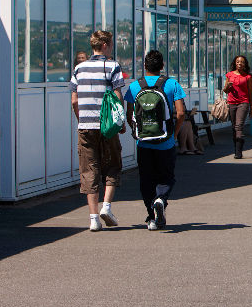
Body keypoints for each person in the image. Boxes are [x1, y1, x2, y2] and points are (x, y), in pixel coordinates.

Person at [124, 49, 187, 231]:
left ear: (144, 66)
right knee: (166, 176)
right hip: (165, 141)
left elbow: (130, 115)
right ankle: (161, 199)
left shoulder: (135, 86)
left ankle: (152, 217)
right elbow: (181, 113)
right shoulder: (172, 84)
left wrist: (136, 132)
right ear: (162, 66)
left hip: (144, 142)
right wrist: (174, 134)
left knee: (146, 179)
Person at [70, 31, 125, 232]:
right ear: (104, 45)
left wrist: (81, 119)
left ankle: (93, 218)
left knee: (88, 169)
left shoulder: (79, 68)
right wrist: (121, 123)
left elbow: (74, 100)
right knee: (112, 164)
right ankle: (107, 207)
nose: (111, 47)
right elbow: (118, 97)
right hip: (107, 126)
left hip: (85, 126)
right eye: (110, 44)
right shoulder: (112, 66)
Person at [223, 55, 252, 159]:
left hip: (243, 102)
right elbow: (225, 90)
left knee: (239, 126)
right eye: (238, 62)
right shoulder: (229, 75)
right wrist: (228, 86)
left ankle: (238, 152)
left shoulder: (247, 77)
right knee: (234, 127)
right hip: (232, 102)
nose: (240, 63)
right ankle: (236, 148)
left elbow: (250, 92)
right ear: (235, 63)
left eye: (242, 62)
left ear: (245, 64)